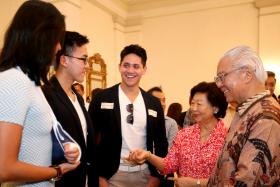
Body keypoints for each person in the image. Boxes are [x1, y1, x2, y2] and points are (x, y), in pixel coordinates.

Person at [0, 1, 79, 186]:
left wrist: (63, 148)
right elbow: (4, 168)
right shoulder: (15, 80)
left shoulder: (29, 81)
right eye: (56, 39)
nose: (59, 47)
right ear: (40, 37)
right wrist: (57, 171)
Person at [88, 44, 168, 187]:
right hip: (111, 176)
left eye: (136, 66)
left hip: (144, 175)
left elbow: (161, 143)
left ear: (144, 69)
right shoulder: (102, 99)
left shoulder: (153, 103)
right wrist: (99, 177)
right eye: (126, 65)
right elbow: (90, 141)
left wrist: (156, 177)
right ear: (119, 67)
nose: (130, 71)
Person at [128, 81, 228, 187]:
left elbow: (229, 180)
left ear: (215, 108)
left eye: (199, 104)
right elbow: (168, 165)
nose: (193, 108)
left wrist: (196, 183)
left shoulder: (228, 137)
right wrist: (148, 155)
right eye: (192, 103)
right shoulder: (184, 134)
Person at [208, 46, 280, 186]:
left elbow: (250, 180)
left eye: (222, 77)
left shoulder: (266, 118)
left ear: (247, 74)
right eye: (217, 79)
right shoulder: (249, 109)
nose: (219, 84)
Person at [42, 31, 98, 187]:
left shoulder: (78, 97)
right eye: (83, 60)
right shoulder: (45, 95)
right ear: (64, 60)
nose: (87, 66)